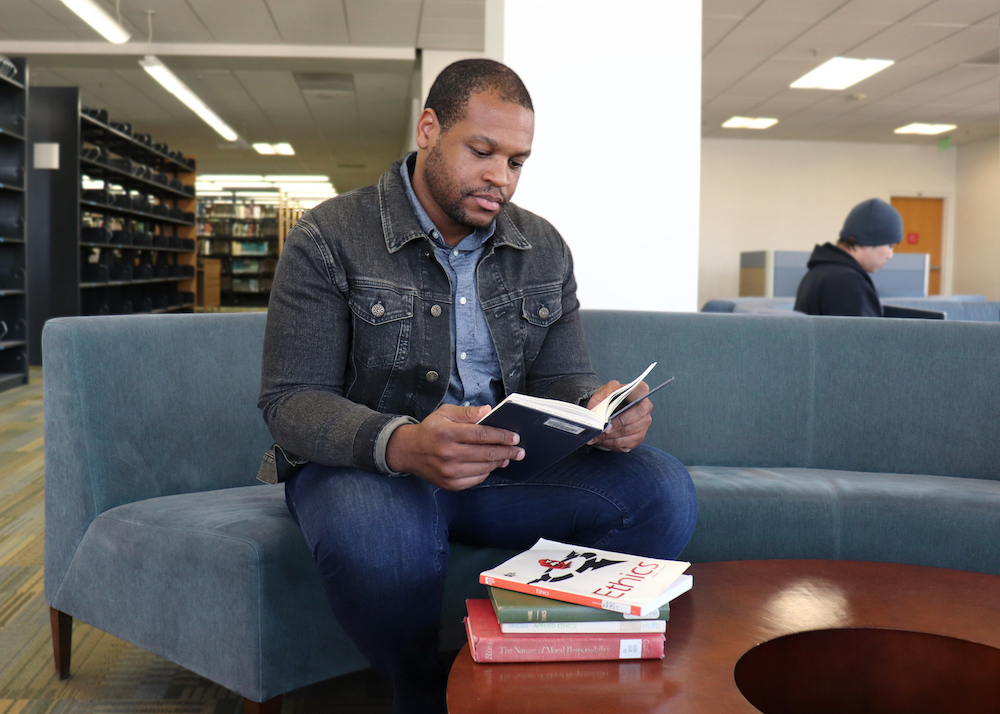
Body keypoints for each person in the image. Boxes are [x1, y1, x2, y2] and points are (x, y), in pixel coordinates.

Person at [257, 59, 697, 714]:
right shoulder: (329, 237)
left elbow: (561, 377)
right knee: (382, 545)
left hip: (504, 471)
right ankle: (424, 693)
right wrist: (404, 444)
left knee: (662, 492)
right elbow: (289, 402)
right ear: (429, 129)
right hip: (372, 471)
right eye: (483, 151)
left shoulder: (542, 246)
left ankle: (519, 664)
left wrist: (598, 411)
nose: (502, 177)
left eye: (517, 160)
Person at [794, 198, 903, 316]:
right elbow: (866, 334)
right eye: (890, 246)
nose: (890, 255)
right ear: (867, 242)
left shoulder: (818, 272)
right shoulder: (848, 283)